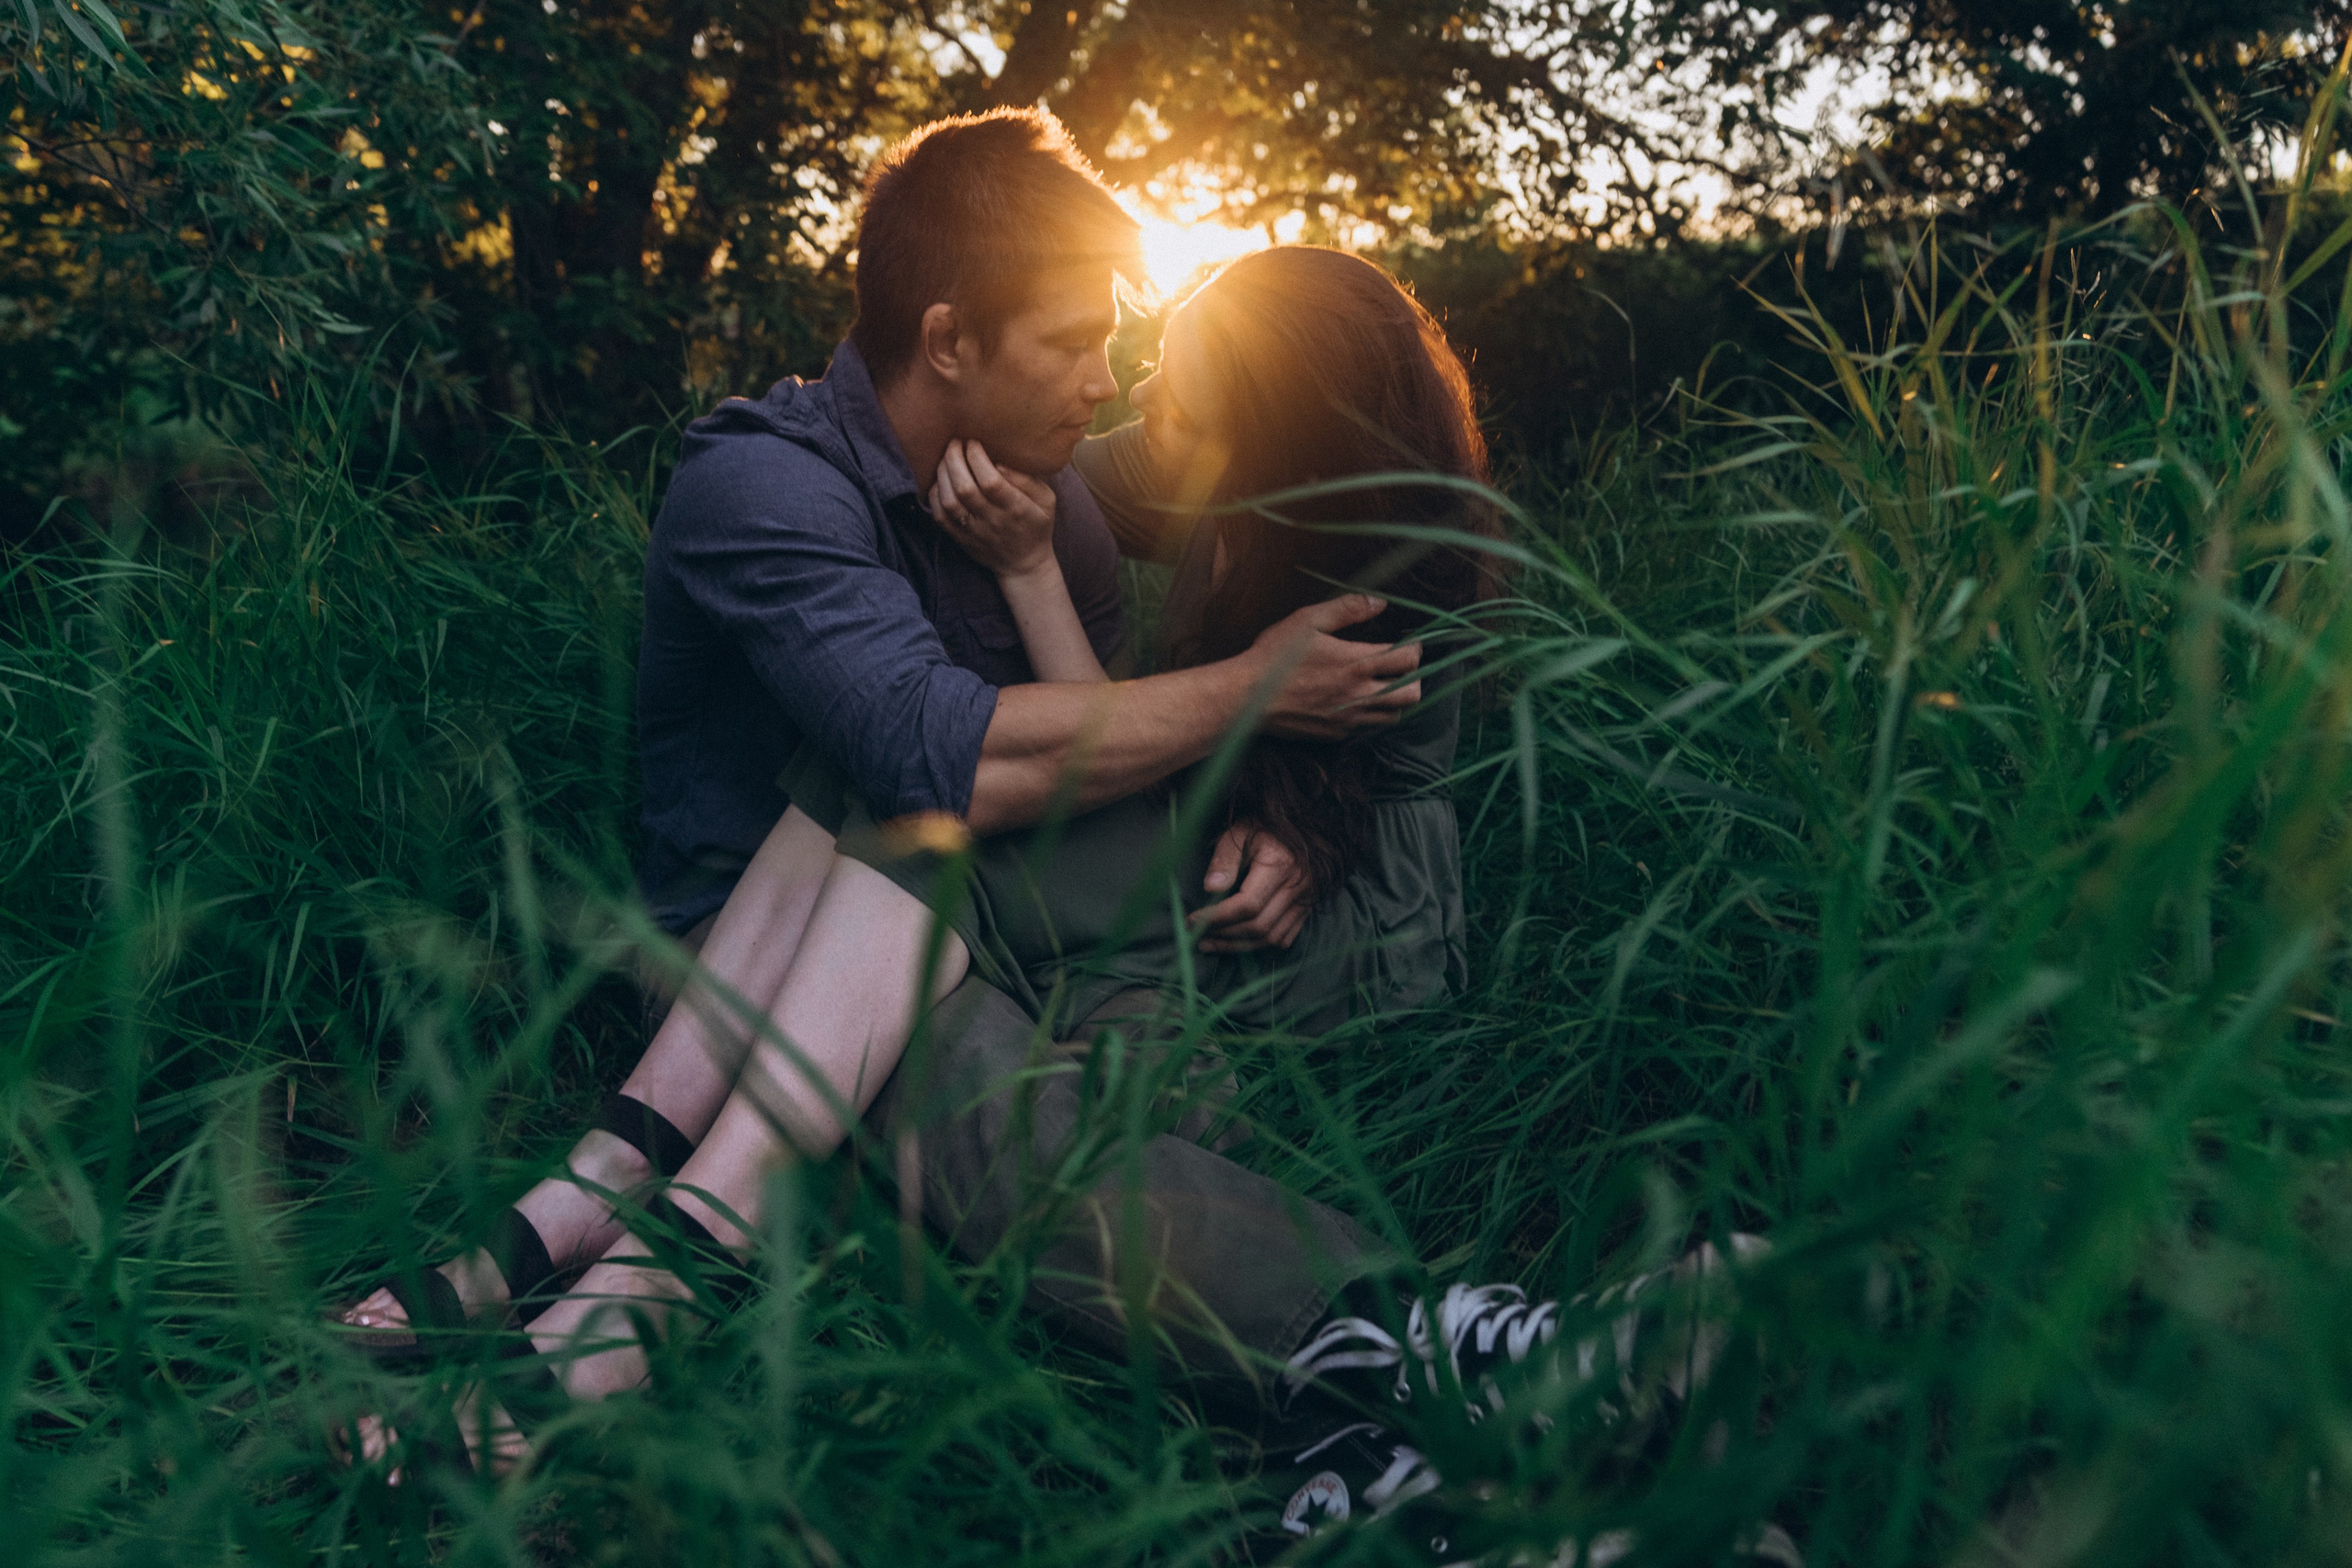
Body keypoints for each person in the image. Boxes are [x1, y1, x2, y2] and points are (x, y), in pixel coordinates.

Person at [336, 111, 1767, 1556]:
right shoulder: (773, 485)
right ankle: (1456, 1391)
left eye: (1132, 357)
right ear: (952, 340)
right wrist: (1245, 700)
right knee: (968, 1072)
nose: (1114, 386)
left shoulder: (1085, 486)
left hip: (978, 896)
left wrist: (1299, 821)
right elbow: (939, 755)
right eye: (1084, 345)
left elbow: (1182, 723)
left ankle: (617, 1242)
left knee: (992, 1104)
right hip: (752, 943)